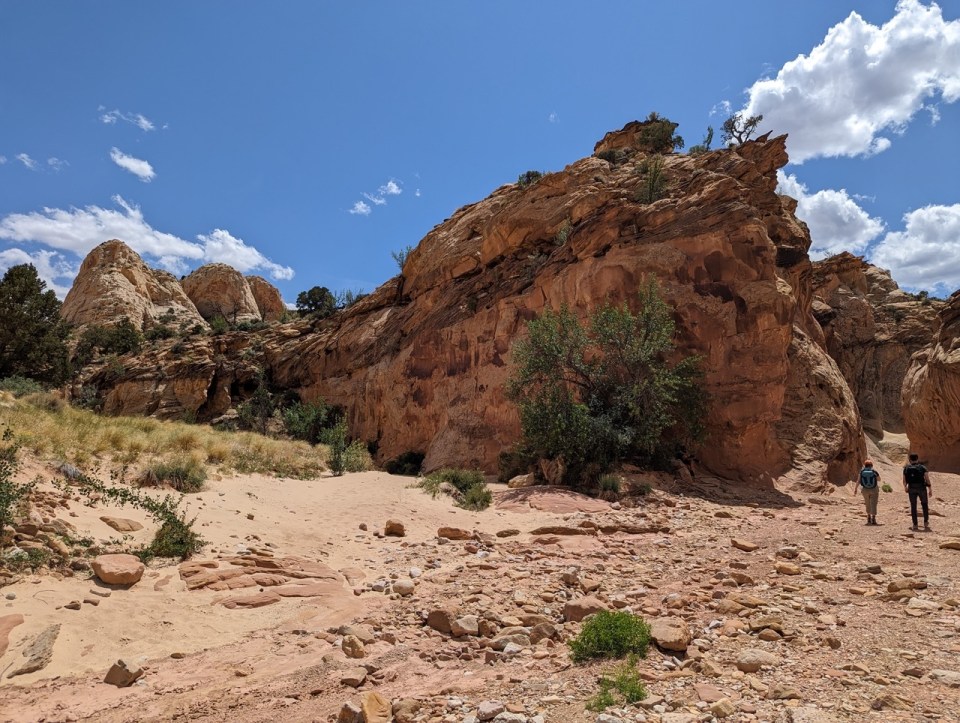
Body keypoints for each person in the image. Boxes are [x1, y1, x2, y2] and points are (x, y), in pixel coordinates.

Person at [903, 453, 932, 532]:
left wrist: (905, 487)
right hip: (921, 488)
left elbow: (904, 480)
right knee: (924, 504)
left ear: (910, 460)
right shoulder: (922, 467)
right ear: (917, 459)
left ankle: (915, 524)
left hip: (911, 488)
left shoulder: (906, 468)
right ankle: (925, 522)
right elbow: (927, 479)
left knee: (913, 506)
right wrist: (930, 489)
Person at [853, 459, 880, 525]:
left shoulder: (862, 472)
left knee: (867, 503)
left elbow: (858, 481)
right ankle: (873, 518)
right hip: (874, 489)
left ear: (865, 465)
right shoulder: (874, 471)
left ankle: (868, 517)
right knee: (874, 503)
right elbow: (879, 479)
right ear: (871, 465)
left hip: (865, 490)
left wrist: (855, 489)